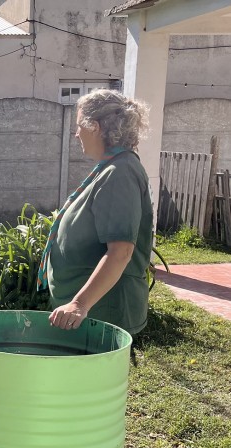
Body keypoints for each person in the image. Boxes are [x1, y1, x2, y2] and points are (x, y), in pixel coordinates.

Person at [37, 89, 153, 334]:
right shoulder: (111, 168)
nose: (76, 133)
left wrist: (79, 304)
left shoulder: (121, 172)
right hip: (87, 315)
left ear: (95, 127)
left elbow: (121, 251)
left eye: (79, 125)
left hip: (100, 314)